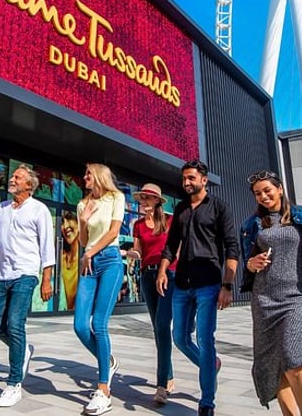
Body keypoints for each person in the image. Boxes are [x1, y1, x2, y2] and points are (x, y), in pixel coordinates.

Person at [241, 170, 302, 415]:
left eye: (267, 190)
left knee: (293, 357)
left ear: (280, 189)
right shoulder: (252, 225)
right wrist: (250, 264)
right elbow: (248, 263)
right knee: (271, 364)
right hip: (264, 300)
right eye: (258, 194)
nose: (263, 197)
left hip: (298, 299)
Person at [0, 164, 55, 408]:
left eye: (18, 177)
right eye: (13, 176)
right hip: (1, 274)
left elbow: (47, 247)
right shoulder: (1, 209)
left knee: (15, 324)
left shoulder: (39, 210)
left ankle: (14, 384)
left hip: (26, 274)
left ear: (29, 185)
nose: (12, 179)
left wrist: (47, 279)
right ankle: (22, 350)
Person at [156, 160, 239, 416]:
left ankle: (207, 402)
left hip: (208, 284)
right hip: (182, 283)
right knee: (180, 338)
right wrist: (162, 270)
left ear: (204, 180)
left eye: (191, 178)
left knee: (205, 339)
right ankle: (211, 365)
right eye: (184, 178)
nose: (186, 183)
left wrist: (227, 285)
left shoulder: (219, 207)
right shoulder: (180, 208)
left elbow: (232, 246)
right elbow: (171, 245)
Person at [73, 163, 125, 416]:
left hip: (110, 260)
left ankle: (103, 390)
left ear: (100, 177)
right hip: (89, 263)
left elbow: (114, 231)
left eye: (88, 174)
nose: (85, 178)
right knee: (80, 326)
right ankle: (109, 360)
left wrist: (90, 253)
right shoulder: (82, 205)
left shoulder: (116, 197)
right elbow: (83, 240)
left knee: (99, 324)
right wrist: (83, 222)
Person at [130, 183, 175, 404]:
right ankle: (168, 374)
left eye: (147, 198)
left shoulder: (170, 221)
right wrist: (132, 253)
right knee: (158, 327)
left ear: (157, 200)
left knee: (162, 325)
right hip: (148, 275)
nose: (143, 202)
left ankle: (161, 385)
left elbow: (177, 248)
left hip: (168, 275)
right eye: (141, 198)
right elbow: (138, 249)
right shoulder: (138, 225)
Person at [60, 210, 79, 310]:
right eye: (62, 222)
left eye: (69, 217)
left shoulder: (86, 259)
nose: (65, 226)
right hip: (60, 315)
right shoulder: (60, 257)